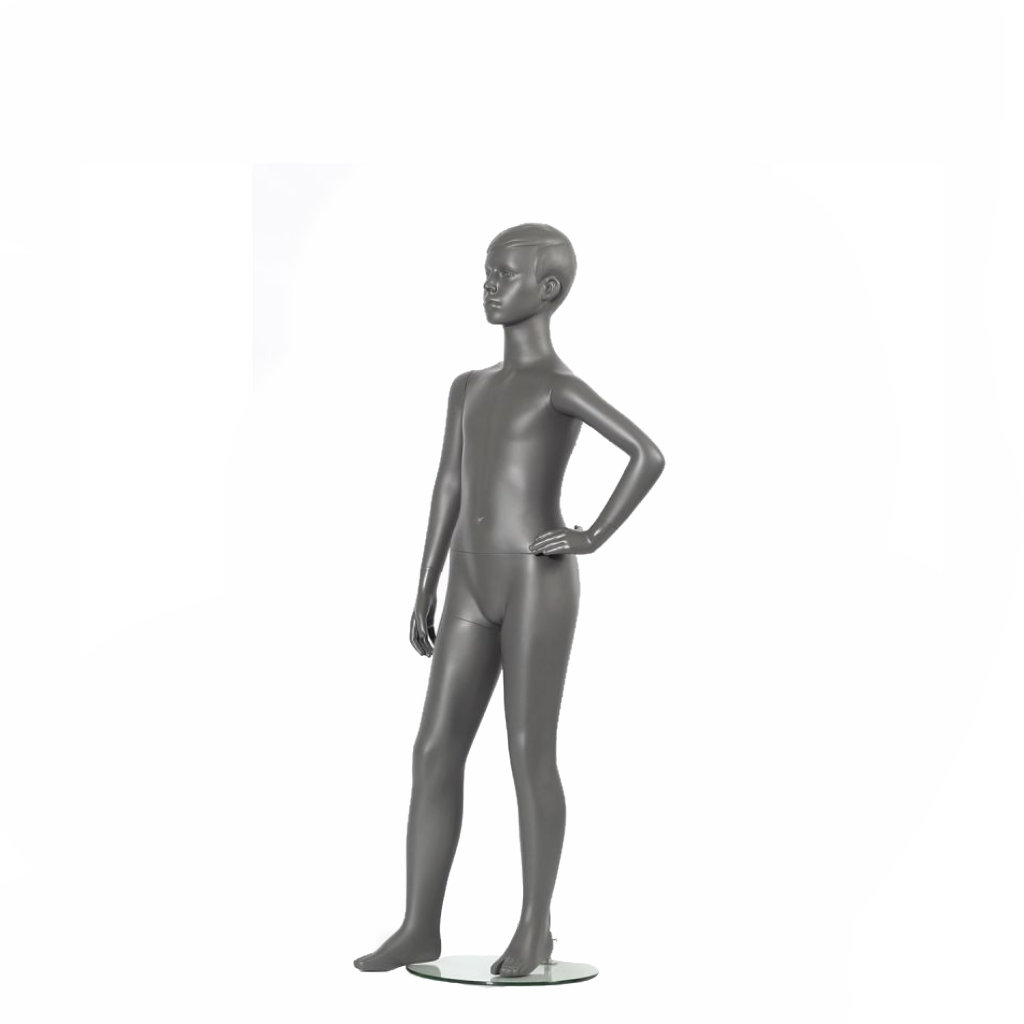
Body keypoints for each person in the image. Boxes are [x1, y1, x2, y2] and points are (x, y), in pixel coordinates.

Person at [354, 223, 665, 977]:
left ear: (548, 289)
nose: (490, 286)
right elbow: (450, 484)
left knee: (528, 751)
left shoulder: (559, 386)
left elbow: (647, 453)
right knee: (433, 749)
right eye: (487, 272)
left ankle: (534, 929)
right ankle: (418, 926)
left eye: (505, 274)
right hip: (468, 580)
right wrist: (425, 579)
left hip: (535, 576)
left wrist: (592, 535)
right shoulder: (469, 387)